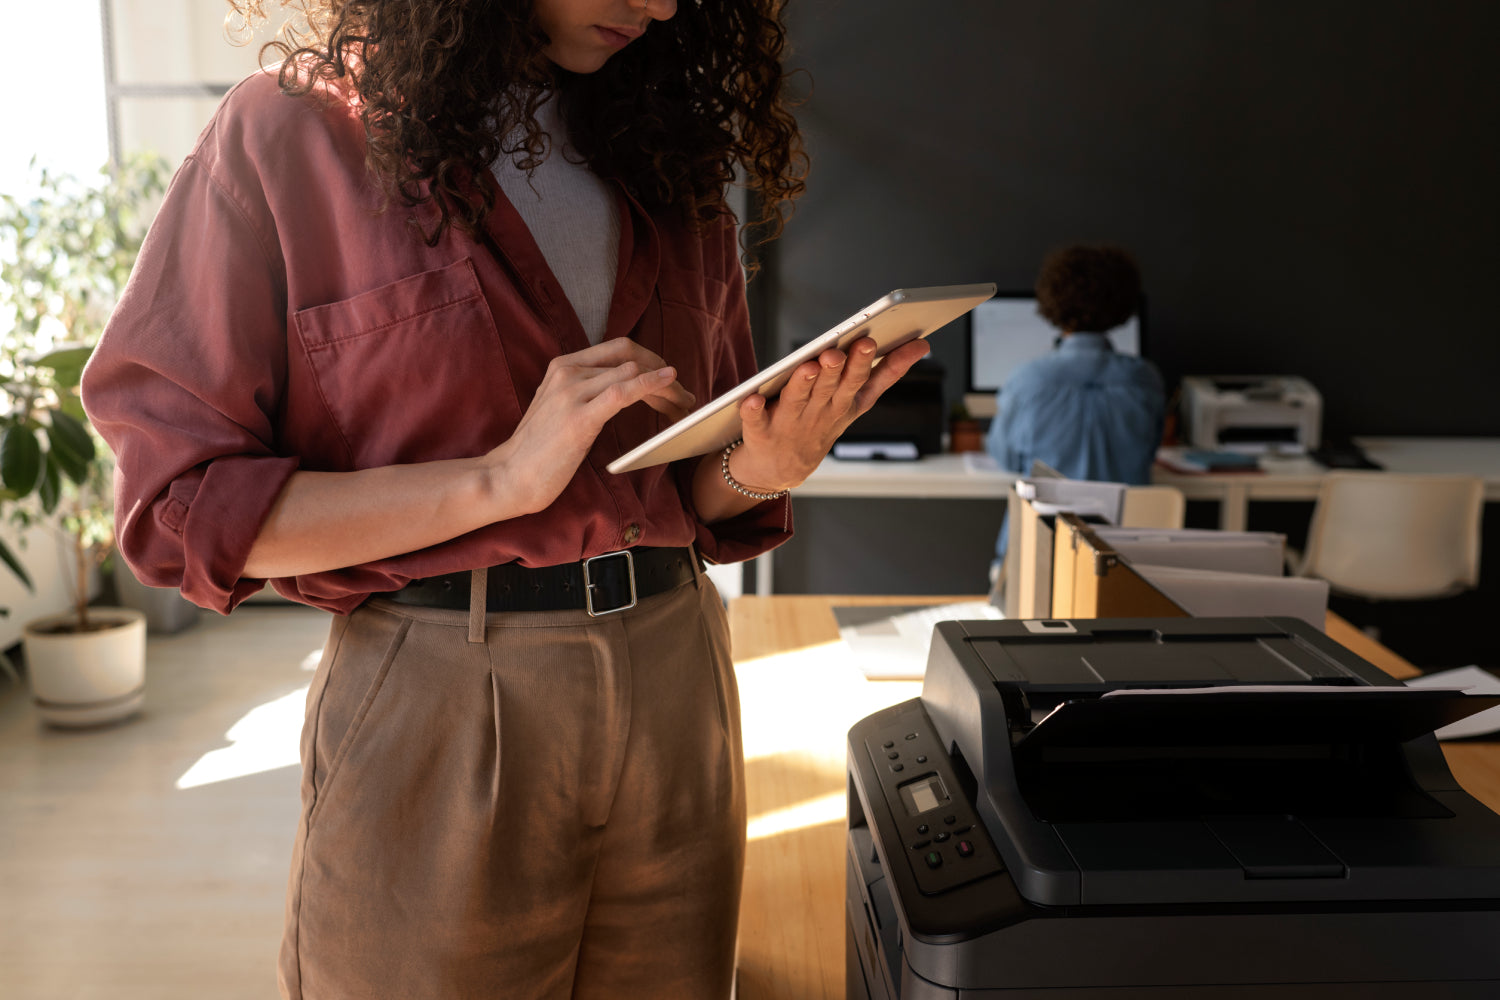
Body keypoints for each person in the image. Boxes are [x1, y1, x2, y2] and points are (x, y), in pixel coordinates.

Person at [80, 1, 931, 997]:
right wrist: (497, 480)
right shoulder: (290, 137)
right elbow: (179, 504)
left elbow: (685, 486)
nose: (661, 4)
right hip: (442, 691)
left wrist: (765, 466)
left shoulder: (666, 156)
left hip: (677, 680)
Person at [986, 244, 1165, 569]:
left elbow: (1007, 458)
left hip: (1040, 558)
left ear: (1052, 302)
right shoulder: (1145, 380)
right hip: (1126, 564)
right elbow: (1150, 450)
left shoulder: (1028, 379)